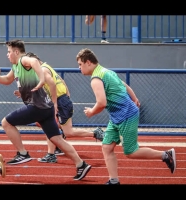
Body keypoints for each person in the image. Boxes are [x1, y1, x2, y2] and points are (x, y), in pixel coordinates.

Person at [0, 39, 92, 180]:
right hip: (46, 108)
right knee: (57, 139)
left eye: (9, 52)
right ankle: (81, 164)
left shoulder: (24, 60)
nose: (7, 55)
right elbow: (7, 80)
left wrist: (42, 78)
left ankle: (23, 154)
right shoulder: (15, 67)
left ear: (16, 52)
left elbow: (34, 62)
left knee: (6, 123)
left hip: (37, 107)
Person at [76, 48, 177, 184]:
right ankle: (114, 181)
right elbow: (124, 85)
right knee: (107, 147)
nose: (79, 68)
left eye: (80, 65)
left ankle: (166, 155)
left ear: (88, 62)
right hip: (117, 117)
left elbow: (101, 103)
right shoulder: (107, 71)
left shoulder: (96, 78)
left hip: (126, 115)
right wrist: (135, 99)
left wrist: (91, 112)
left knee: (131, 152)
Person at [13, 52, 105, 163]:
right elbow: (62, 81)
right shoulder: (46, 67)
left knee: (68, 132)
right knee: (47, 124)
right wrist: (66, 94)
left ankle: (94, 133)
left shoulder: (42, 70)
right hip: (62, 99)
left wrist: (56, 103)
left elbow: (52, 84)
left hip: (59, 101)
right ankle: (53, 150)